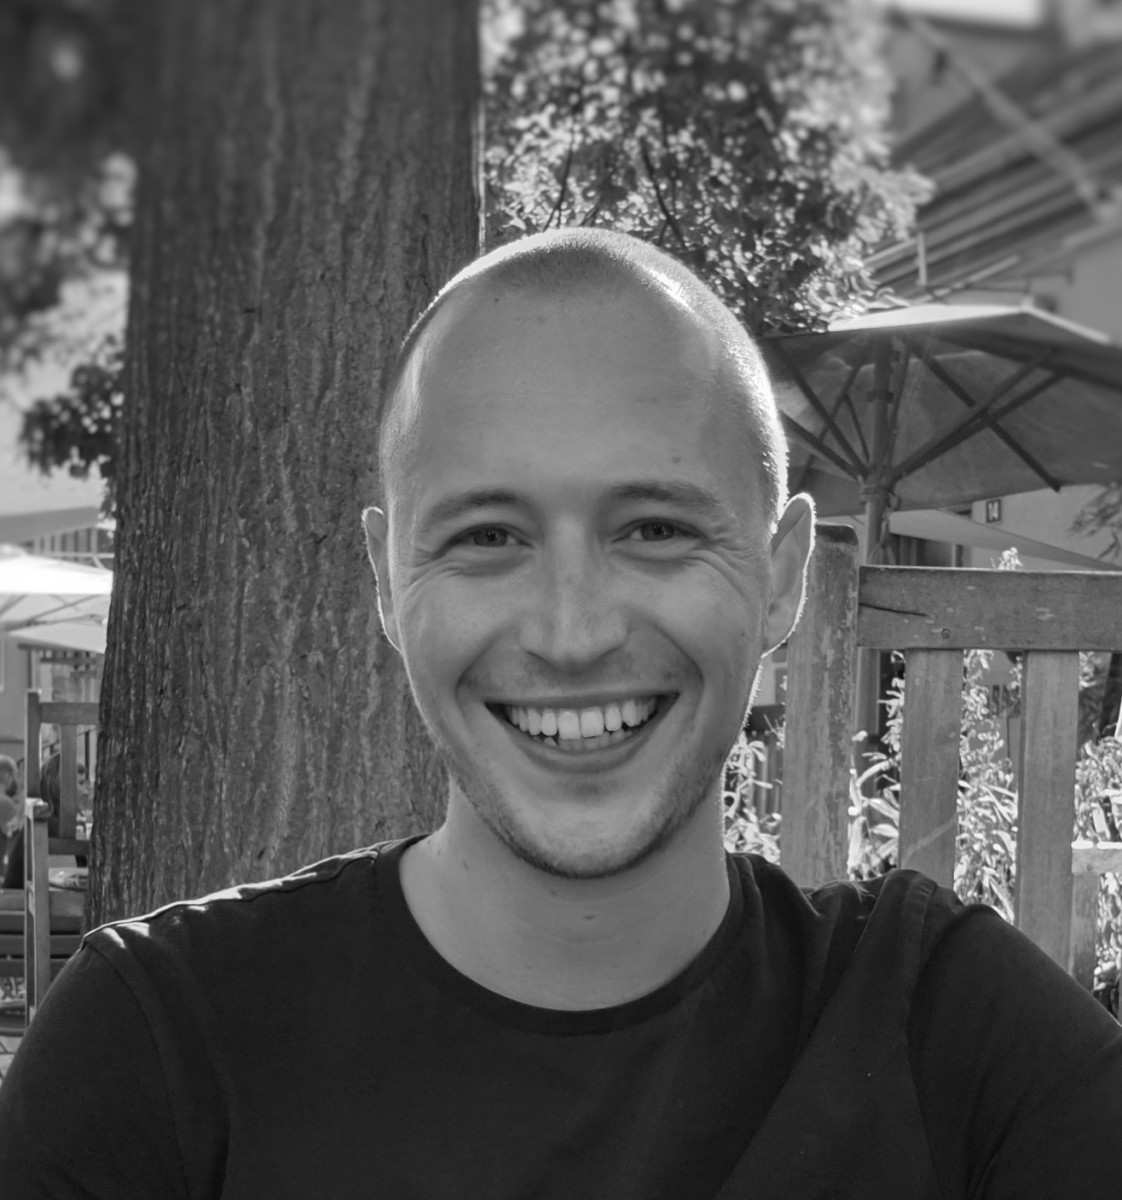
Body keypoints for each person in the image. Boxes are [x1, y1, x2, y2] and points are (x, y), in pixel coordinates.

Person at [1, 229, 1120, 1197]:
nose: (572, 632)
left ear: (781, 576)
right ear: (386, 581)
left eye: (656, 529)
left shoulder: (953, 1037)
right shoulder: (156, 1049)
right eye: (488, 536)